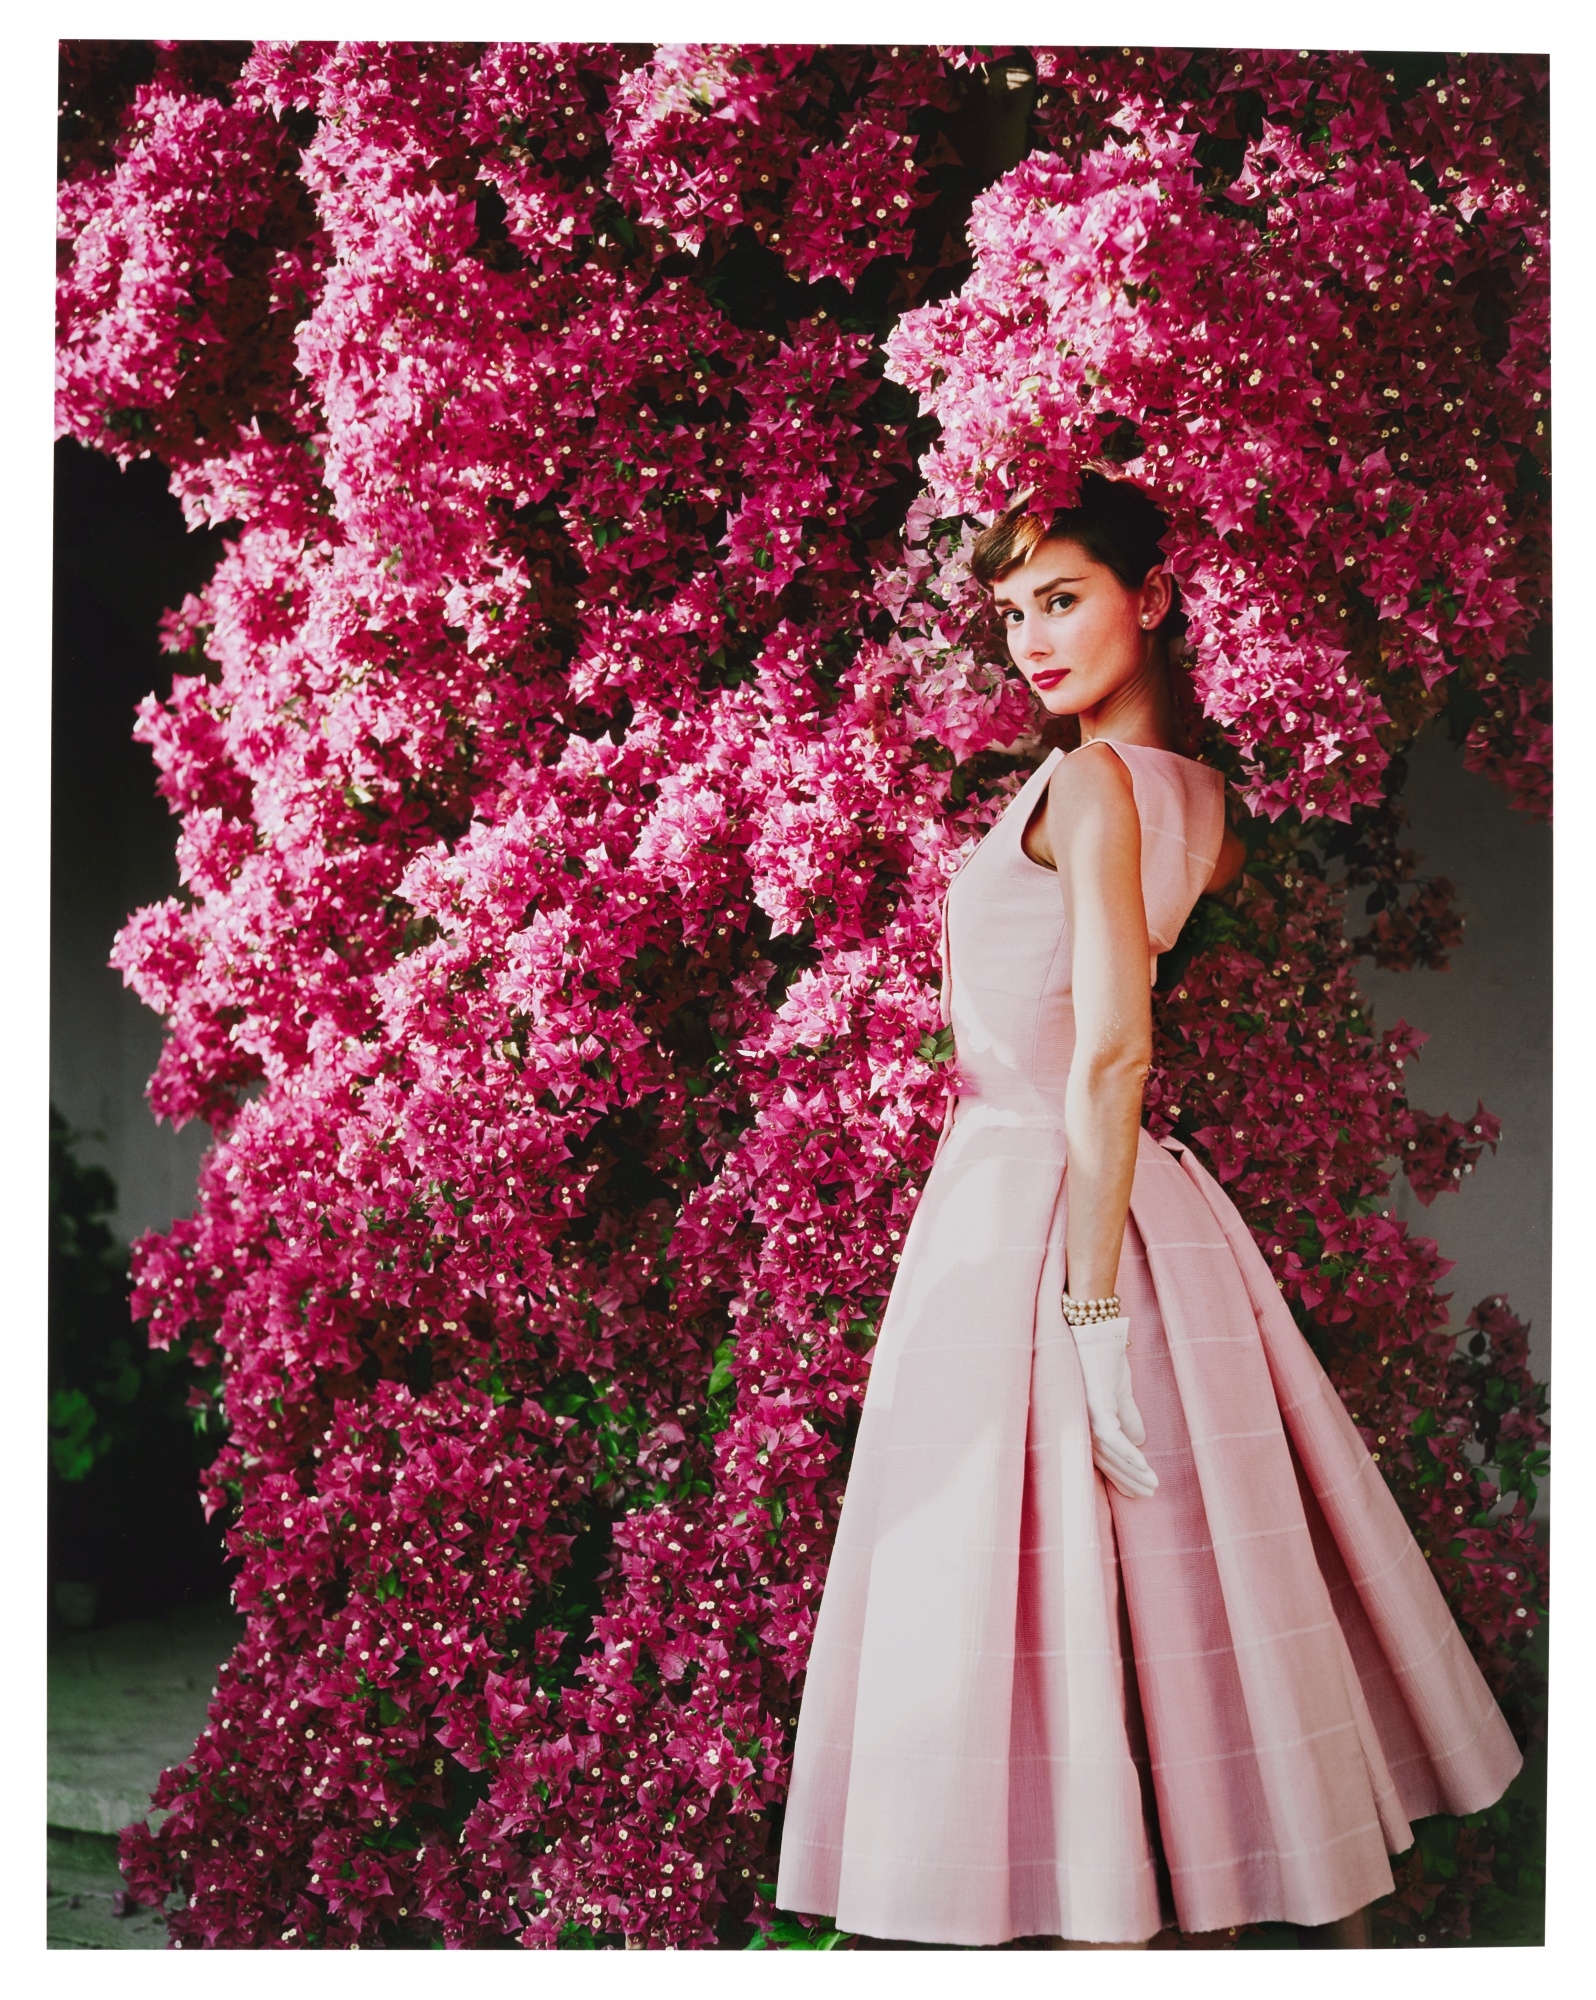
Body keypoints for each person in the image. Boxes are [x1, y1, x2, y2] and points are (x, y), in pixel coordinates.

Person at [774, 471, 1523, 1950]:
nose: (1031, 641)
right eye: (1012, 613)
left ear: (1154, 598)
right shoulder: (1208, 806)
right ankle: (1225, 1899)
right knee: (1182, 1593)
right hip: (1139, 1203)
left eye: (1062, 600)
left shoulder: (1089, 785)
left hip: (1040, 1205)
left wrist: (1090, 1306)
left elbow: (1113, 1049)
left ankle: (1091, 1911)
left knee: (1028, 1591)